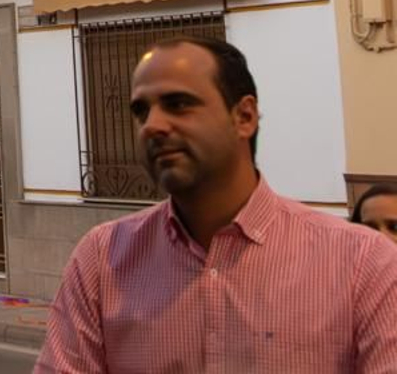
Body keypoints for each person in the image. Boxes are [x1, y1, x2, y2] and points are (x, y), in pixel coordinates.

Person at [38, 38, 397, 373]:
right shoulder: (102, 259)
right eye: (141, 111)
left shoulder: (363, 263)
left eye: (178, 104)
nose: (152, 126)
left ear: (244, 117)